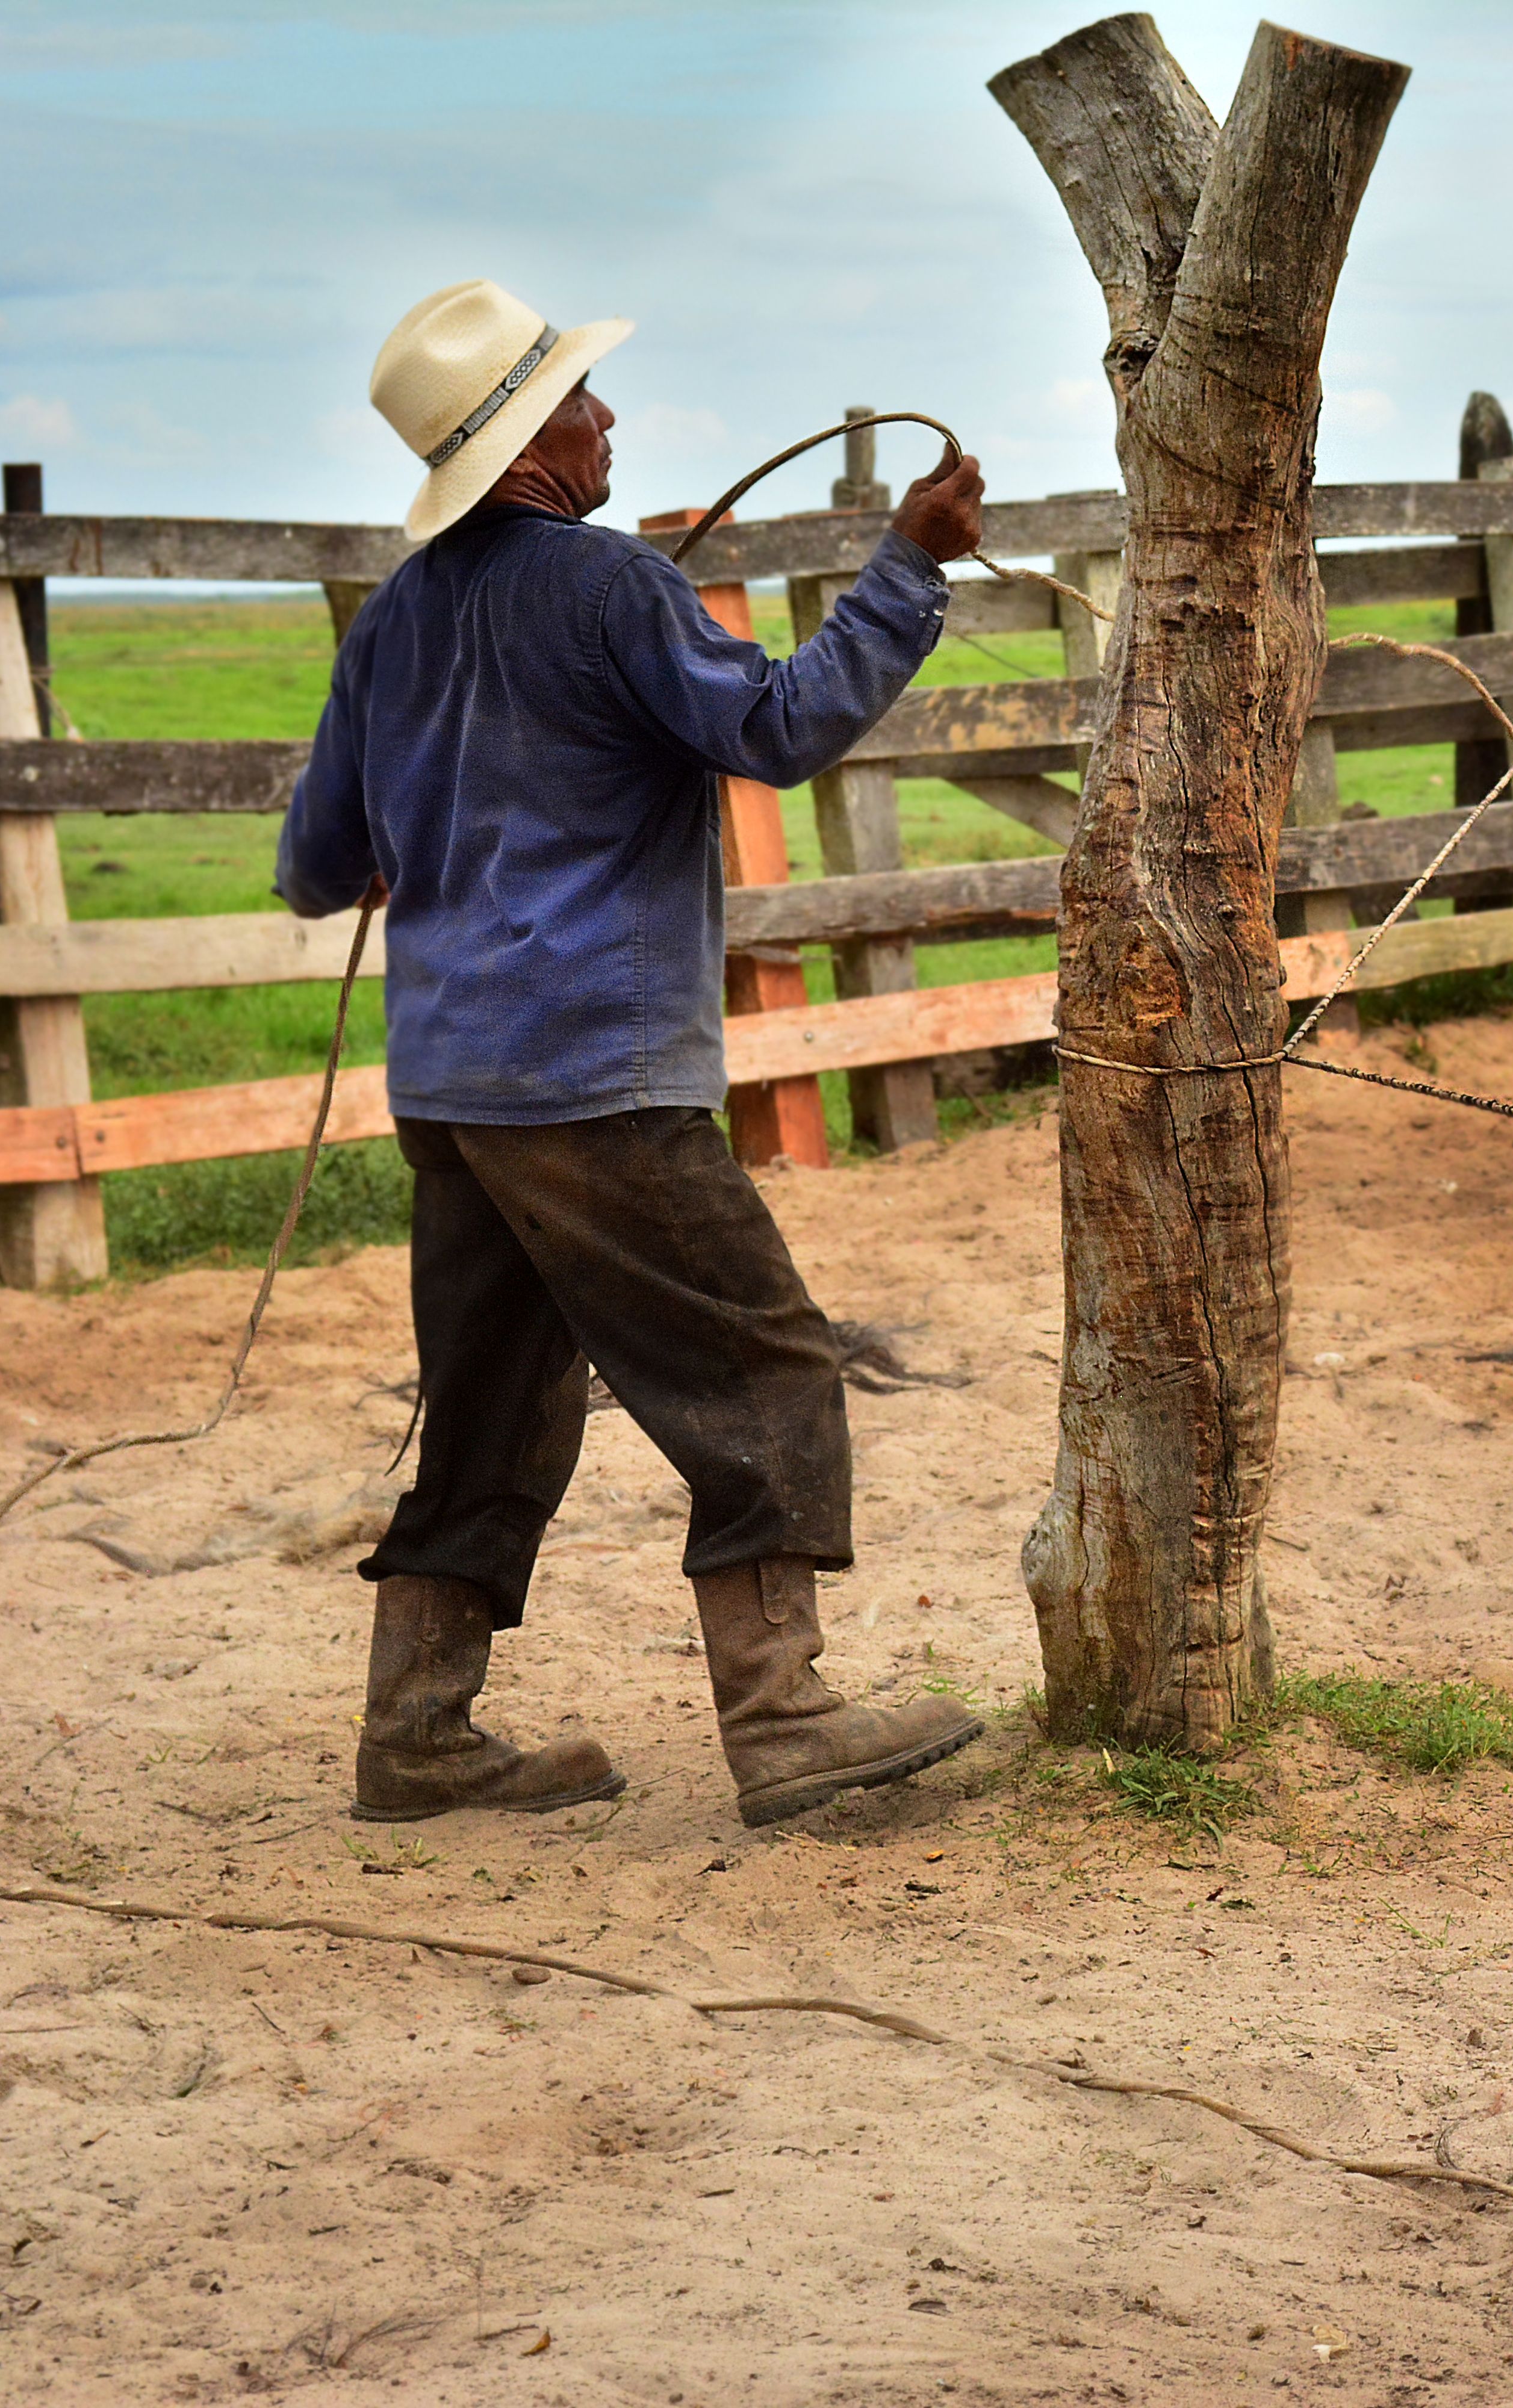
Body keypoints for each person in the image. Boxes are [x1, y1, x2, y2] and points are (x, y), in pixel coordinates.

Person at [279, 279, 991, 1831]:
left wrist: (435, 830)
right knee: (766, 1362)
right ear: (532, 438)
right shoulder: (611, 590)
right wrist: (909, 567)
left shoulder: (393, 621)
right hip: (597, 1074)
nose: (609, 418)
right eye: (584, 400)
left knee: (492, 1396)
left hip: (455, 1087)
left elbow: (318, 864)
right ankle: (785, 1717)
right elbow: (783, 729)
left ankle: (417, 1729)